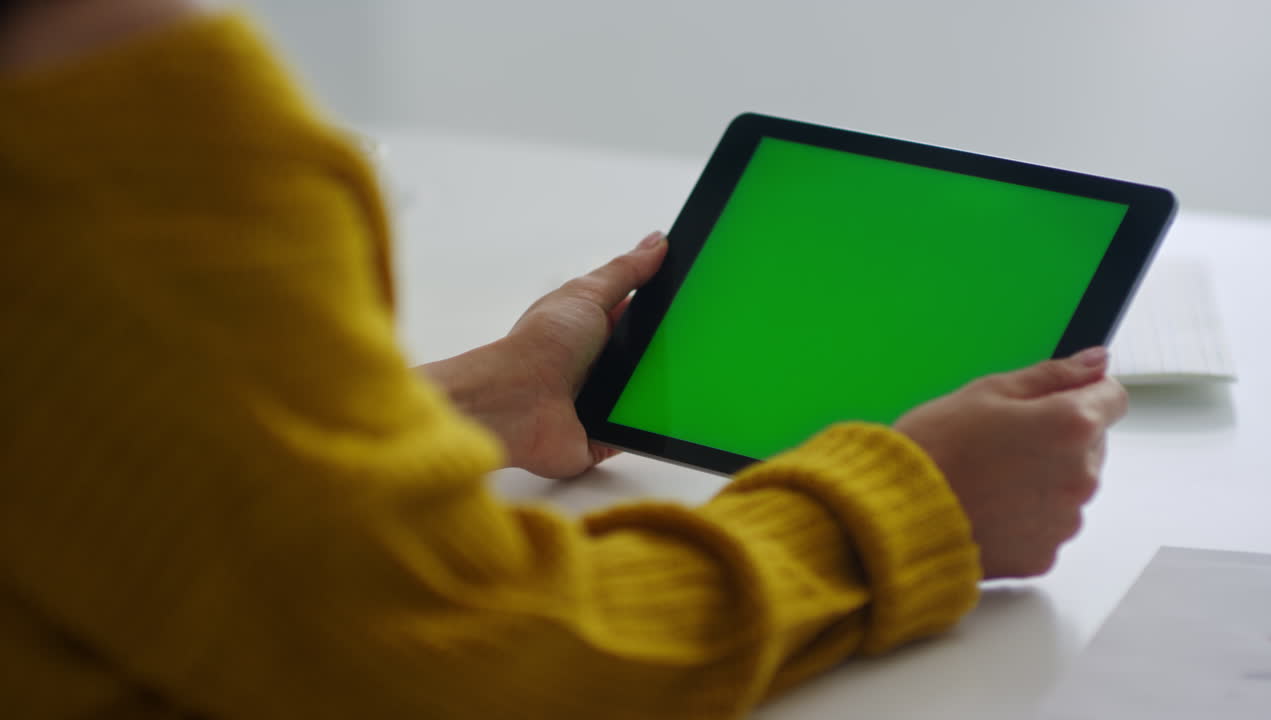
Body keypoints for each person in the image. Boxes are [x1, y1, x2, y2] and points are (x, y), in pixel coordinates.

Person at [0, 1, 1127, 717]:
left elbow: (96, 453)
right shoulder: (115, 133)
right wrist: (911, 504)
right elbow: (454, 664)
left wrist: (489, 394)